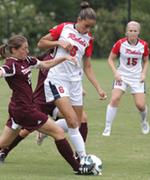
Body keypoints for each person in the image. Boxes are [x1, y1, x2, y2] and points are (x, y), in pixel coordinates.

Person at [0, 34, 95, 175]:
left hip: (19, 108)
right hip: (24, 110)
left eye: (27, 48)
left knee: (3, 144)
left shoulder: (27, 60)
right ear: (14, 50)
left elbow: (44, 64)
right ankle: (77, 167)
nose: (27, 51)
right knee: (58, 132)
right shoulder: (11, 64)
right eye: (24, 48)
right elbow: (2, 72)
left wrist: (64, 58)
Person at [37, 1, 107, 160]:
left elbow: (87, 66)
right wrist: (58, 42)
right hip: (57, 78)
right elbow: (41, 43)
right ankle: (82, 158)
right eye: (86, 26)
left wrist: (98, 88)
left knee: (78, 120)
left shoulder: (88, 39)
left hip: (75, 81)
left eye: (91, 27)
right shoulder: (64, 28)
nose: (88, 30)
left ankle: (47, 129)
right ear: (79, 19)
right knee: (72, 121)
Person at [102, 21, 150, 136]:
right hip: (122, 76)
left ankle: (143, 122)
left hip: (137, 78)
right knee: (114, 99)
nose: (132, 33)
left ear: (138, 32)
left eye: (135, 31)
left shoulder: (143, 45)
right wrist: (116, 73)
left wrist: (143, 73)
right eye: (130, 30)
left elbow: (146, 60)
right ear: (126, 32)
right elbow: (110, 59)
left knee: (140, 105)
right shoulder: (120, 43)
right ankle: (107, 128)